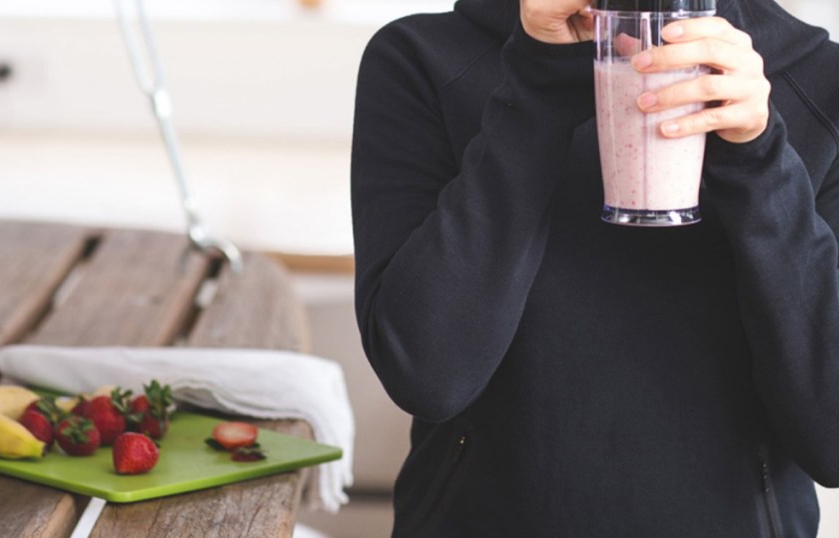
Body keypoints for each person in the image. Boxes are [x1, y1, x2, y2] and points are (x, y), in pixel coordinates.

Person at [350, 0, 839, 535]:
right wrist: (535, 89)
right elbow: (426, 374)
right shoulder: (421, 58)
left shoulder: (821, 81)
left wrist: (759, 157)